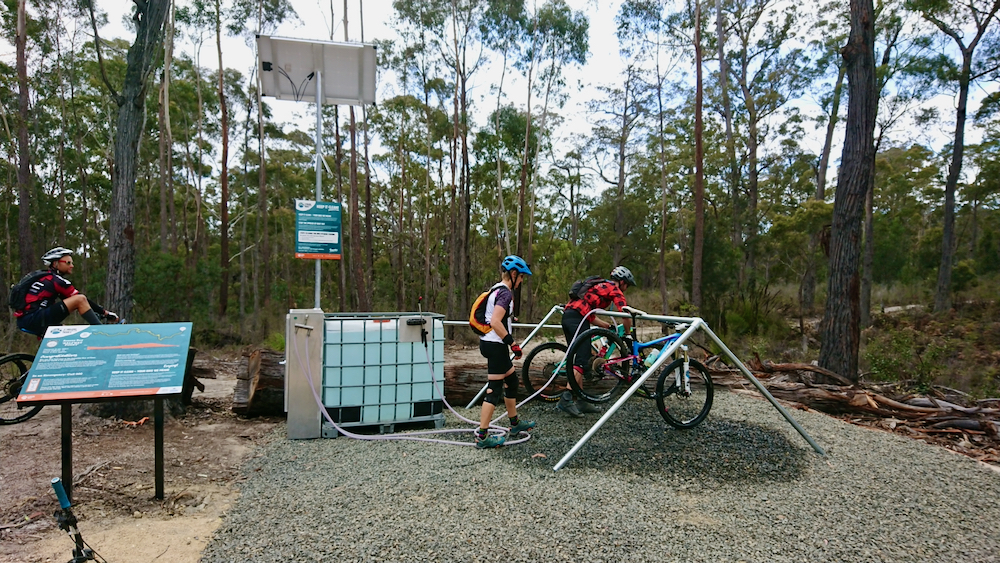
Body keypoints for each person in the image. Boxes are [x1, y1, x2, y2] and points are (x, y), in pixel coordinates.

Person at [558, 265, 636, 418]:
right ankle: (566, 398)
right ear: (622, 282)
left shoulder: (599, 285)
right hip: (578, 319)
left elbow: (589, 313)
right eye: (626, 285)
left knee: (579, 358)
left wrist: (606, 326)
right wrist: (628, 334)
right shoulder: (614, 289)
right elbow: (625, 313)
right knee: (582, 360)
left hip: (569, 317)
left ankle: (581, 400)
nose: (625, 289)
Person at [475, 255, 536, 448]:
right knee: (493, 389)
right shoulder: (506, 294)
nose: (522, 281)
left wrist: (509, 319)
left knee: (511, 381)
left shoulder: (496, 289)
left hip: (490, 343)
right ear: (514, 274)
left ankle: (515, 424)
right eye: (521, 277)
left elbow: (494, 316)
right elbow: (495, 321)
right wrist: (512, 343)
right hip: (496, 345)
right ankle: (483, 436)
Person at [14, 247, 119, 337]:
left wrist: (95, 312)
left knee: (66, 333)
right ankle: (102, 334)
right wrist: (105, 313)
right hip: (35, 317)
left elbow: (70, 302)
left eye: (72, 263)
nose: (72, 266)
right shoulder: (56, 280)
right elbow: (81, 300)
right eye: (68, 263)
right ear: (55, 263)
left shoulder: (43, 276)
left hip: (25, 320)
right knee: (80, 299)